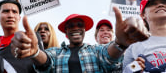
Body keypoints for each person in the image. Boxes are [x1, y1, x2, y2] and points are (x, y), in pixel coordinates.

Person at [10, 11, 149, 73]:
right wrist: (35, 53)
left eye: (79, 25)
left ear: (85, 30)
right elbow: (45, 62)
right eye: (71, 26)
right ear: (65, 32)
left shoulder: (95, 50)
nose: (75, 28)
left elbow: (108, 56)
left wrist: (120, 44)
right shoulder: (55, 52)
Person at [0, 0, 37, 73]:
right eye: (6, 11)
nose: (10, 15)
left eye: (14, 12)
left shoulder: (30, 39)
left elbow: (44, 65)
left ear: (19, 18)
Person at [123, 0, 166, 73]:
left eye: (164, 2)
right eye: (153, 4)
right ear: (143, 15)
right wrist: (129, 70)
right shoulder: (133, 46)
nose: (161, 5)